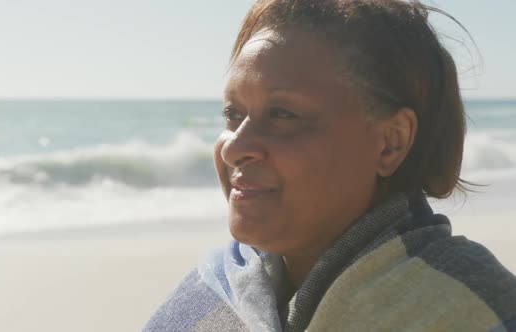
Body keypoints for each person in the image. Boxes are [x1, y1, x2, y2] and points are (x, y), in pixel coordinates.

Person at [145, 0, 516, 331]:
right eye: (233, 114)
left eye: (283, 115)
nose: (234, 149)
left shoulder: (470, 308)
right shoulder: (212, 292)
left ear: (391, 142)